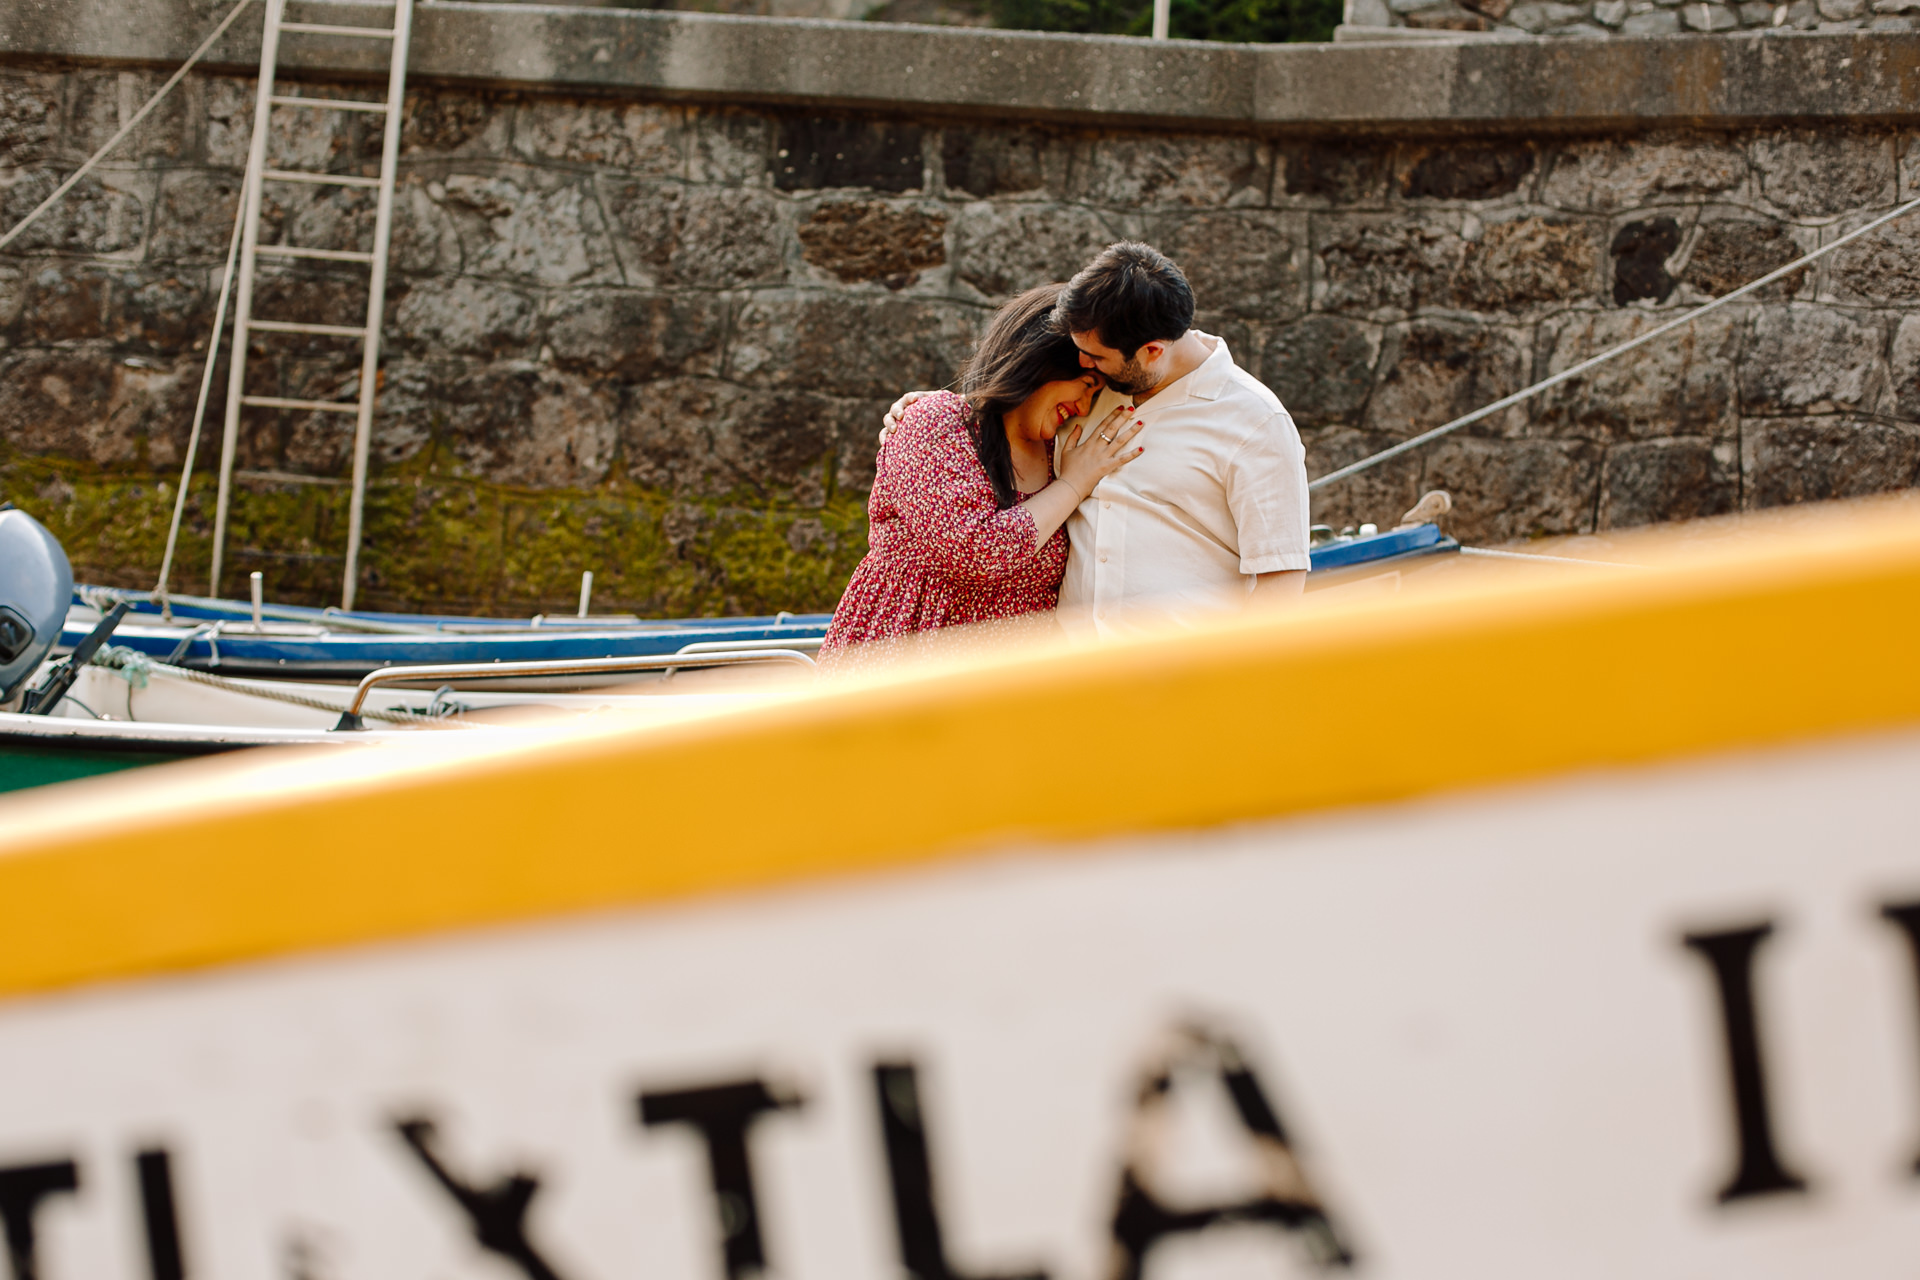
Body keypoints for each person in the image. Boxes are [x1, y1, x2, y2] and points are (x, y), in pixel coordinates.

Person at [885, 242, 1311, 637]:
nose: (1082, 363)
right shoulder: (1097, 385)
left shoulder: (1256, 421)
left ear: (1151, 352)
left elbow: (1281, 579)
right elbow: (1022, 405)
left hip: (1183, 683)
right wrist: (934, 409)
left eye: (1095, 358)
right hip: (1073, 681)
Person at [819, 284, 1144, 669]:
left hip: (1002, 692)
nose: (1084, 407)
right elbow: (977, 550)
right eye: (1087, 386)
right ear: (1038, 362)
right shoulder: (937, 422)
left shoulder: (1061, 449)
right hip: (897, 674)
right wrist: (1074, 485)